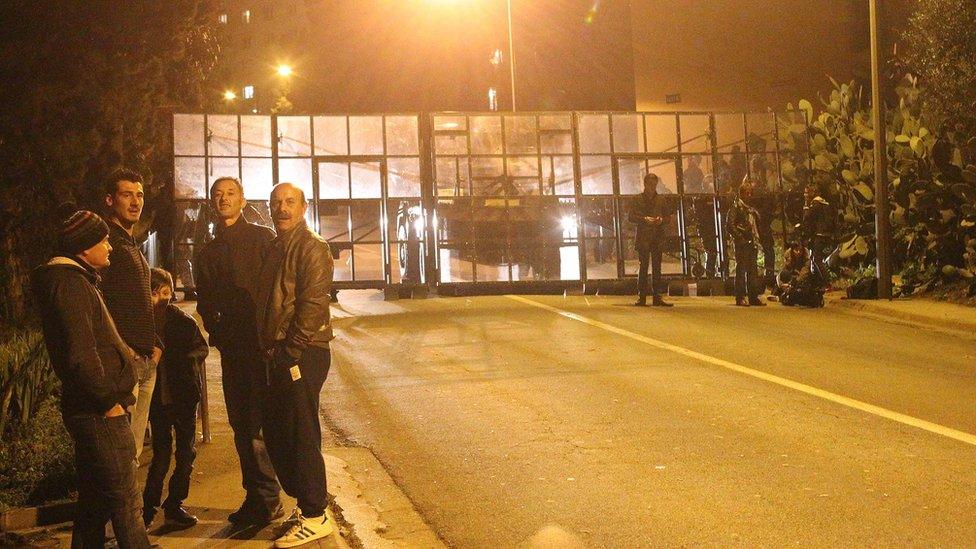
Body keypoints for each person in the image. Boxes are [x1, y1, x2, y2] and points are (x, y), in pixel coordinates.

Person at [31, 206, 151, 548]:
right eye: (103, 241)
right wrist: (108, 401)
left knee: (93, 505)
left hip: (92, 408)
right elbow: (81, 357)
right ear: (84, 248)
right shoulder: (70, 286)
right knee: (127, 505)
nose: (109, 246)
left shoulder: (73, 281)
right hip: (99, 412)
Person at [194, 177, 283, 525]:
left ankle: (270, 497)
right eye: (218, 195)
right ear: (211, 203)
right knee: (241, 425)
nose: (224, 199)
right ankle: (258, 496)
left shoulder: (263, 238)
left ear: (243, 200)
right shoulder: (208, 252)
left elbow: (280, 287)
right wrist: (217, 334)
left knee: (264, 424)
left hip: (263, 349)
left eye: (231, 193)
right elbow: (204, 300)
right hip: (234, 352)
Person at [254, 183, 337, 547]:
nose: (282, 209)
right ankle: (307, 504)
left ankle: (316, 514)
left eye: (290, 202)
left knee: (301, 434)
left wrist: (291, 351)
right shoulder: (278, 245)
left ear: (304, 207)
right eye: (276, 203)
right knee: (277, 431)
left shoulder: (312, 246)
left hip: (303, 352)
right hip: (280, 353)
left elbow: (312, 304)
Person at [100, 168, 161, 463]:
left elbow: (138, 301)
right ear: (110, 200)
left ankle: (130, 509)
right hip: (127, 360)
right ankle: (121, 510)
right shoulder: (106, 244)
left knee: (133, 451)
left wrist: (155, 342)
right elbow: (100, 305)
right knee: (122, 452)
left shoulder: (130, 244)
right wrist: (122, 350)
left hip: (144, 358)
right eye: (127, 195)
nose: (135, 202)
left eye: (139, 195)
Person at [142, 268, 208, 529]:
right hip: (158, 401)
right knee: (161, 454)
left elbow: (200, 348)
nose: (162, 298)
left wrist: (184, 360)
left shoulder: (182, 321)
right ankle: (148, 509)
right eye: (155, 293)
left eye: (167, 292)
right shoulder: (143, 323)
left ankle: (174, 504)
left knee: (185, 453)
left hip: (183, 397)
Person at [628, 173, 673, 307]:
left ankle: (656, 296)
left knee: (656, 268)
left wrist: (661, 220)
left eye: (654, 185)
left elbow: (668, 217)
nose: (652, 187)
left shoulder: (661, 199)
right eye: (650, 185)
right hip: (644, 237)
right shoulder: (637, 199)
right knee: (644, 267)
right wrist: (644, 219)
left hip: (656, 237)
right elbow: (631, 217)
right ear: (645, 184)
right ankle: (642, 296)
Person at [726, 179, 765, 306]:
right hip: (742, 242)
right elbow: (730, 225)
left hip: (751, 241)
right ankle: (740, 296)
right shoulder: (736, 207)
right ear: (741, 194)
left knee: (753, 270)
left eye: (750, 193)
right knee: (741, 269)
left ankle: (753, 296)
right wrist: (740, 238)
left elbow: (757, 225)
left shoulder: (750, 209)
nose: (749, 196)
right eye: (747, 193)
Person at [684, 155, 717, 278]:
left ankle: (711, 273)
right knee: (711, 250)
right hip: (707, 227)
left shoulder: (707, 198)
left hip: (710, 227)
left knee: (712, 250)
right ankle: (710, 274)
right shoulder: (701, 199)